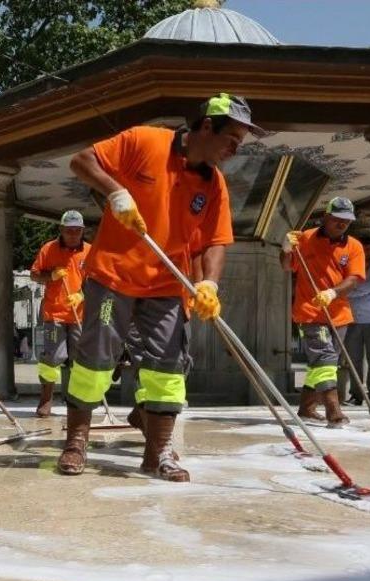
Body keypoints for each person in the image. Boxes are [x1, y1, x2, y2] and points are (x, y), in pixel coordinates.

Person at [59, 93, 261, 482]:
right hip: (113, 276)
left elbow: (214, 241)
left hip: (168, 285)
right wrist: (115, 191)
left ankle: (158, 454)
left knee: (167, 367)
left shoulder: (214, 183)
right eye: (231, 140)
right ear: (206, 126)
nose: (235, 150)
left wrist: (208, 283)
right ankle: (76, 441)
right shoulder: (144, 140)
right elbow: (81, 161)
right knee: (96, 359)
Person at [282, 197, 366, 427]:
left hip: (339, 314)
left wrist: (332, 293)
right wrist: (286, 247)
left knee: (322, 364)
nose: (342, 224)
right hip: (309, 312)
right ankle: (334, 412)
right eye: (338, 219)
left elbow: (354, 279)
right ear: (326, 217)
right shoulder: (306, 239)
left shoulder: (354, 246)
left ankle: (307, 409)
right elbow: (287, 266)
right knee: (325, 359)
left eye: (347, 221)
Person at [28, 209, 91, 417]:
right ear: (61, 229)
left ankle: (75, 400)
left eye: (77, 230)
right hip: (54, 314)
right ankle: (46, 399)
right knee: (52, 358)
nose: (73, 234)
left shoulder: (89, 251)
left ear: (82, 231)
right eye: (69, 230)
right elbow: (35, 275)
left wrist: (82, 294)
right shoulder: (49, 249)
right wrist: (52, 275)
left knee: (78, 358)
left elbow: (97, 279)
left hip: (79, 315)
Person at [341, 236, 370, 404]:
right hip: (353, 319)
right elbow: (345, 291)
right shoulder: (350, 268)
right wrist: (360, 290)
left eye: (369, 249)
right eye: (363, 249)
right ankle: (357, 394)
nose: (366, 252)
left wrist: (354, 288)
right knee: (354, 359)